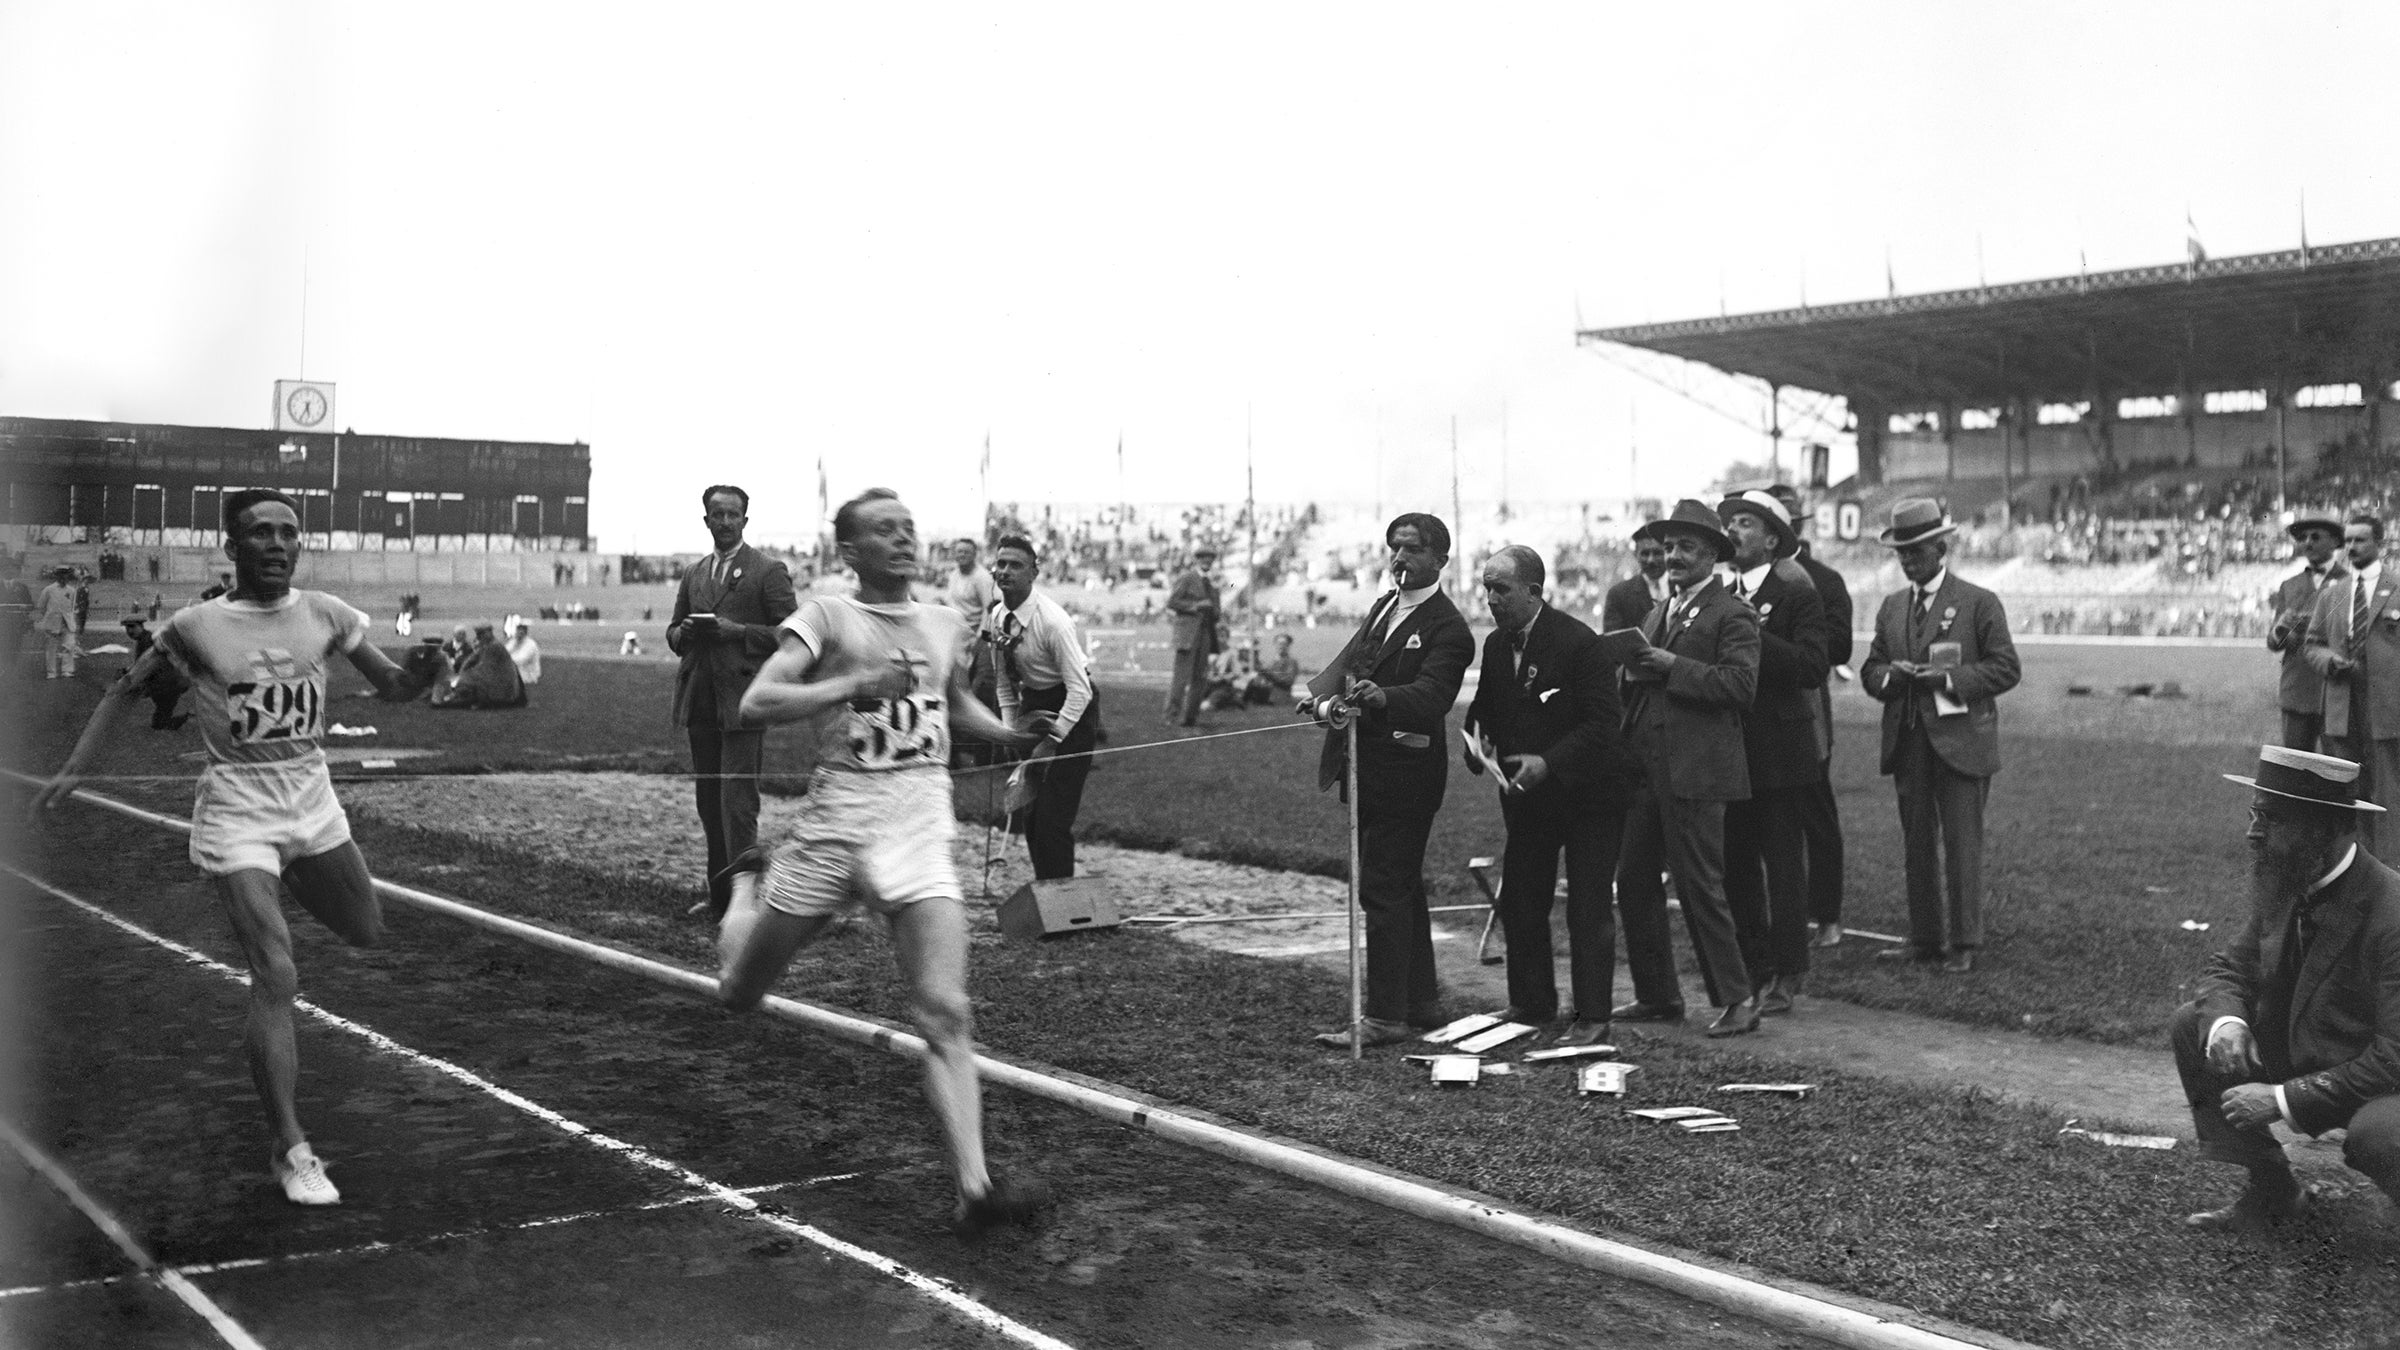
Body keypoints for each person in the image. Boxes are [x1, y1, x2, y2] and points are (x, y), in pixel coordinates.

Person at [34, 489, 428, 1205]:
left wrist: (425, 676)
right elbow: (125, 692)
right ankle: (292, 1146)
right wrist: (76, 767)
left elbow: (395, 685)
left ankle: (281, 886)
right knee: (278, 974)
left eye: (289, 533)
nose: (278, 545)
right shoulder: (197, 626)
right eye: (261, 534)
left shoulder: (327, 616)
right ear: (233, 548)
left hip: (312, 799)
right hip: (238, 807)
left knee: (368, 930)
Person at [717, 487, 1049, 1234]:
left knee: (947, 1009)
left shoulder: (943, 621)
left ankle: (976, 1188)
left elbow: (949, 701)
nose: (902, 541)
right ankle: (745, 886)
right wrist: (851, 684)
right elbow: (757, 704)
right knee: (739, 993)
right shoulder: (826, 617)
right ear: (851, 552)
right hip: (838, 821)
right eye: (883, 532)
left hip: (919, 819)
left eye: (908, 528)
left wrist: (1008, 734)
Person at [2173, 744, 2400, 1230]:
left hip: (2387, 1080)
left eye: (2272, 819)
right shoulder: (2290, 879)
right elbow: (2229, 968)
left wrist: (2280, 1100)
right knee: (2195, 1025)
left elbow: (2395, 1057)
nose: (2253, 833)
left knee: (2380, 1136)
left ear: (2322, 831)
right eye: (2256, 813)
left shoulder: (2393, 913)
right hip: (2322, 1054)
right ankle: (2274, 1197)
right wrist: (2229, 1025)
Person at [1299, 512, 1474, 1047]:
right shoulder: (1384, 608)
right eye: (1394, 548)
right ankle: (1420, 1004)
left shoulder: (1449, 627)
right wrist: (1321, 697)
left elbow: (1432, 699)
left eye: (1412, 550)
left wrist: (1385, 698)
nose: (1399, 559)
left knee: (1382, 889)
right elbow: (1352, 664)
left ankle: (1383, 1016)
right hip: (1368, 768)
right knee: (1401, 888)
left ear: (1440, 559)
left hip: (1407, 776)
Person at [1462, 545, 1634, 1046]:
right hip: (1528, 797)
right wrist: (1477, 743)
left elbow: (1605, 723)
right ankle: (1532, 1003)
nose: (1491, 597)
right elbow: (1483, 709)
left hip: (1591, 795)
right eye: (1487, 587)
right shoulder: (1495, 646)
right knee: (1523, 896)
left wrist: (1550, 762)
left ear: (1535, 592)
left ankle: (1593, 1016)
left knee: (1587, 905)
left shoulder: (1580, 644)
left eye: (1502, 588)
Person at [1612, 500, 1763, 1037]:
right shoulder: (1659, 612)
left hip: (1698, 771)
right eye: (1670, 547)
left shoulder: (1733, 614)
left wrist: (1674, 667)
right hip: (1648, 770)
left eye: (1686, 548)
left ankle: (1738, 999)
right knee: (1632, 880)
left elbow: (1741, 687)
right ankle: (1658, 995)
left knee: (1700, 885)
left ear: (1713, 557)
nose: (1673, 557)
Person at [1859, 498, 2021, 973]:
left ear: (1941, 547)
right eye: (1901, 553)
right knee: (1916, 845)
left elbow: (2006, 667)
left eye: (1916, 551)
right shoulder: (1891, 608)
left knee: (1961, 842)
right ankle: (1925, 938)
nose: (1907, 560)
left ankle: (1964, 943)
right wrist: (1894, 676)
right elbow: (1871, 669)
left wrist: (1948, 680)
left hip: (1961, 743)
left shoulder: (1978, 602)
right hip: (1909, 740)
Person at [1716, 491, 1829, 1015]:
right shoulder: (1718, 595)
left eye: (1745, 522)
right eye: (1731, 522)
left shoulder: (1795, 593)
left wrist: (1752, 632)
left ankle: (1789, 971)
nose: (1734, 531)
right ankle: (1753, 967)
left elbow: (1812, 667)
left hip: (1781, 753)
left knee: (1783, 866)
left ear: (1772, 539)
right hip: (1731, 751)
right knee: (1737, 865)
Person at [669, 484, 798, 921]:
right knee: (709, 801)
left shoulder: (767, 570)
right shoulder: (695, 573)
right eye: (717, 515)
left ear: (745, 520)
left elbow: (791, 637)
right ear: (705, 520)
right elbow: (672, 633)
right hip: (700, 698)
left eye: (733, 515)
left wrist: (737, 631)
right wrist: (683, 633)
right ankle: (719, 896)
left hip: (743, 702)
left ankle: (746, 904)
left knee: (738, 803)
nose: (725, 522)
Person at [1765, 482, 1856, 950]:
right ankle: (1781, 913)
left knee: (1816, 810)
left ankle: (1828, 915)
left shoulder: (1821, 579)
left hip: (1805, 708)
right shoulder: (1742, 581)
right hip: (1754, 713)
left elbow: (1838, 648)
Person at [985, 533, 1099, 880]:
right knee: (1030, 807)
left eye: (1016, 565)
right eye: (1001, 564)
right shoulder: (996, 617)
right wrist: (1009, 732)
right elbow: (1004, 683)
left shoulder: (1053, 621)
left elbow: (1081, 691)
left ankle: (1062, 899)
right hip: (1035, 705)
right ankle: (1047, 890)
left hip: (1073, 707)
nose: (1005, 571)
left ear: (1034, 572)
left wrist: (1051, 744)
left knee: (1054, 813)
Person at [2303, 515, 2397, 846]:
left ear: (2380, 544)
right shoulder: (2334, 594)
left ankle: (2387, 865)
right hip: (2343, 704)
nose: (2352, 547)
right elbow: (2312, 644)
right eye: (2349, 540)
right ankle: (2351, 858)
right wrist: (2329, 661)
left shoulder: (2396, 588)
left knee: (2387, 789)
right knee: (2345, 787)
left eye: (2361, 540)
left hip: (2386, 706)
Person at [2267, 513, 2343, 753]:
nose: (2308, 542)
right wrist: (2282, 628)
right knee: (2295, 769)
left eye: (2315, 536)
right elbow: (2273, 641)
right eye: (2302, 538)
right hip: (2297, 689)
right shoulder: (2289, 585)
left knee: (2340, 770)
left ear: (2334, 541)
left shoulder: (2351, 583)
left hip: (2337, 690)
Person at [1163, 545, 1221, 727]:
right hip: (1187, 634)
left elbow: (1217, 612)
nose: (1207, 562)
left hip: (1205, 634)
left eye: (1210, 559)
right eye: (1203, 558)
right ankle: (1172, 716)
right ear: (1197, 560)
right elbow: (1172, 602)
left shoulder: (1212, 583)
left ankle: (1190, 717)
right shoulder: (1188, 578)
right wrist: (1195, 606)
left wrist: (1215, 606)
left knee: (1200, 677)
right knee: (1181, 678)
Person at [430, 622, 527, 709]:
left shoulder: (494, 646)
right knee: (464, 683)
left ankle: (449, 700)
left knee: (468, 685)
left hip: (504, 690)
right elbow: (471, 659)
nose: (479, 637)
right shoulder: (486, 645)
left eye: (481, 634)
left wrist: (463, 678)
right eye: (478, 634)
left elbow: (485, 670)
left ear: (489, 633)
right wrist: (462, 673)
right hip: (498, 685)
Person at [1601, 536, 1671, 634]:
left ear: (1668, 554)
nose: (1651, 560)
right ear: (1635, 555)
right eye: (1645, 554)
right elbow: (1614, 642)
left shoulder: (1682, 587)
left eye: (1657, 553)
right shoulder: (1619, 595)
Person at [37, 565, 78, 679]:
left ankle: (67, 670)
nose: (64, 578)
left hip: (67, 623)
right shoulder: (49, 589)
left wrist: (70, 619)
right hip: (52, 622)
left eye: (66, 575)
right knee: (51, 648)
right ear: (57, 576)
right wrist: (50, 616)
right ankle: (51, 672)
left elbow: (73, 606)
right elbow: (41, 606)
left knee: (69, 646)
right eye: (61, 575)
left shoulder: (71, 590)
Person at [0, 554, 31, 674]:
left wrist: (25, 607)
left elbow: (30, 604)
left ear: (14, 570)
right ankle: (2, 667)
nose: (8, 570)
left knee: (15, 644)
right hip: (1, 623)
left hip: (16, 623)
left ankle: (12, 667)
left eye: (10, 567)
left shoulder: (22, 588)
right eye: (5, 567)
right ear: (1, 570)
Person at [1258, 632, 1300, 702]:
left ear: (1288, 646)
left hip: (1280, 696)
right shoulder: (1270, 661)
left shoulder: (1291, 662)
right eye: (1279, 644)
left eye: (1284, 644)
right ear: (1275, 645)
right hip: (1265, 694)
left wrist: (1268, 675)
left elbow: (1287, 682)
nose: (1281, 646)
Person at [505, 618, 543, 687]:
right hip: (516, 678)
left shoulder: (531, 645)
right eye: (518, 629)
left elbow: (520, 660)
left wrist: (504, 660)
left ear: (525, 632)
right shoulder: (513, 642)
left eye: (522, 630)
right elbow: (504, 652)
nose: (519, 632)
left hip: (529, 681)